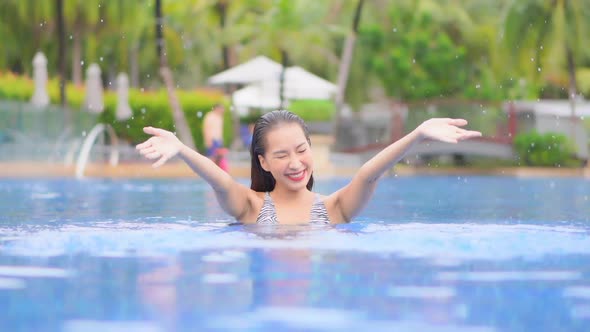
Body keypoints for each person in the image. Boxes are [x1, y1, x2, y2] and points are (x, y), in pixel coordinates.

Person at [136, 110, 482, 225]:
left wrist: (417, 134)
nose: (295, 163)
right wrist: (182, 149)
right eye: (282, 155)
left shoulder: (334, 210)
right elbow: (222, 183)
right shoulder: (252, 208)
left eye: (302, 150)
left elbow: (369, 173)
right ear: (263, 162)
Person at [202, 103, 228, 171]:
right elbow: (206, 128)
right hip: (212, 139)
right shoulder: (209, 116)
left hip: (218, 139)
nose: (223, 111)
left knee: (219, 156)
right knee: (212, 156)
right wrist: (208, 140)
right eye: (222, 109)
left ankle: (217, 170)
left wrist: (221, 140)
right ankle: (210, 170)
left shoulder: (220, 117)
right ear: (217, 109)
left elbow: (219, 129)